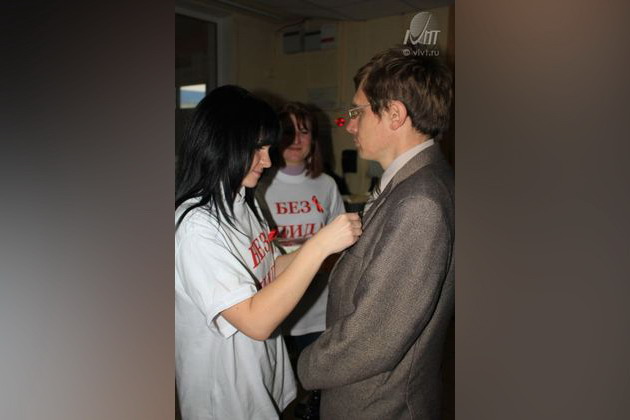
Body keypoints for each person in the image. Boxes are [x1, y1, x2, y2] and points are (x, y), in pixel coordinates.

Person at [175, 85, 362, 420]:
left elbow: (271, 266)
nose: (268, 160)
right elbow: (255, 322)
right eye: (257, 148)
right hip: (226, 402)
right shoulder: (196, 228)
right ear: (225, 144)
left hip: (261, 379)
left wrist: (326, 247)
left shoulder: (240, 200)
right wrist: (319, 245)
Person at [297, 47, 455, 419]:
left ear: (395, 114)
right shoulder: (414, 182)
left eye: (358, 111)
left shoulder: (419, 202)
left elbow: (374, 337)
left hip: (380, 404)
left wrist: (302, 366)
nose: (349, 125)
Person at [257, 102, 346, 417]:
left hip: (318, 310)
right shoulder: (259, 184)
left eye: (304, 131)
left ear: (314, 140)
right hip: (275, 310)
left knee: (317, 394)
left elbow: (340, 247)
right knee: (276, 395)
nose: (296, 139)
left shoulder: (327, 185)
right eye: (288, 131)